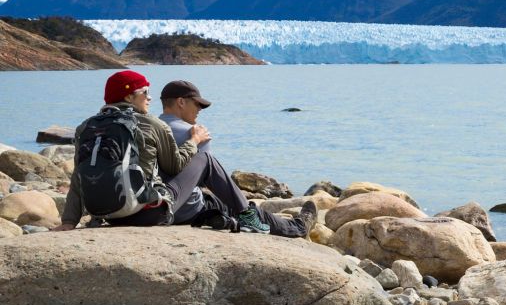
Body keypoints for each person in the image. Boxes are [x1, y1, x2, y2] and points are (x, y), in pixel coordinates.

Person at [53, 71, 315, 237]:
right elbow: (177, 165)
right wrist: (194, 140)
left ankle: (244, 218)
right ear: (130, 96)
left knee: (218, 206)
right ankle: (259, 220)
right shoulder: (153, 125)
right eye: (145, 92)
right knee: (207, 161)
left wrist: (69, 221)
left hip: (110, 215)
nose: (149, 98)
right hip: (149, 214)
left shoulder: (86, 127)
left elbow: (79, 177)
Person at [158, 79, 314, 237]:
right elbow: (208, 177)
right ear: (181, 102)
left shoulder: (149, 128)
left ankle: (228, 217)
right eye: (197, 104)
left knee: (223, 202)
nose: (200, 109)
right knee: (245, 209)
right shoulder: (194, 133)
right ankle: (298, 227)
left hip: (157, 203)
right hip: (188, 208)